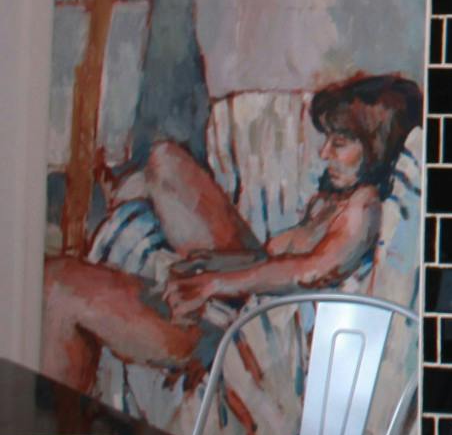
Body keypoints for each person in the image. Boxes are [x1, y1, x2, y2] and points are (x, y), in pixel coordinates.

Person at [41, 72, 422, 392]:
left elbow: (308, 271)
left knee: (58, 284)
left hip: (244, 331)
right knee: (165, 160)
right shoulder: (338, 198)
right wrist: (217, 267)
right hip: (243, 294)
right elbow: (278, 262)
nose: (324, 154)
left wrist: (213, 283)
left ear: (374, 148)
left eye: (339, 144)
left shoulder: (365, 207)